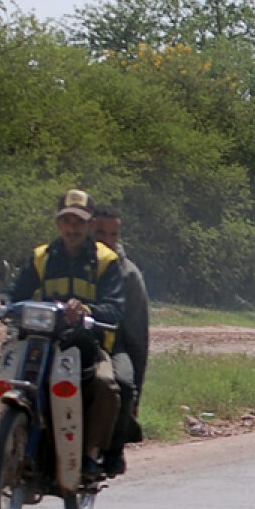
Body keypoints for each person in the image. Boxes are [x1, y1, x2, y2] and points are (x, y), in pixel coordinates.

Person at [0, 189, 125, 480]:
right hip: (39, 337)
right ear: (58, 223)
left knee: (106, 385)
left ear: (89, 224)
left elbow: (114, 309)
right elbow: (16, 289)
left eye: (79, 222)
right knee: (2, 369)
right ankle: (11, 441)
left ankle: (87, 457)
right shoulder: (41, 256)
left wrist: (85, 310)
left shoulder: (107, 261)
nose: (72, 228)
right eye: (67, 221)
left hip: (85, 342)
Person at [92, 203, 150, 477]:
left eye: (112, 234)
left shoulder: (128, 274)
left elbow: (137, 336)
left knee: (123, 386)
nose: (106, 240)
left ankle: (113, 450)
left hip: (113, 345)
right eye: (99, 232)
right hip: (66, 341)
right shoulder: (66, 262)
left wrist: (137, 390)